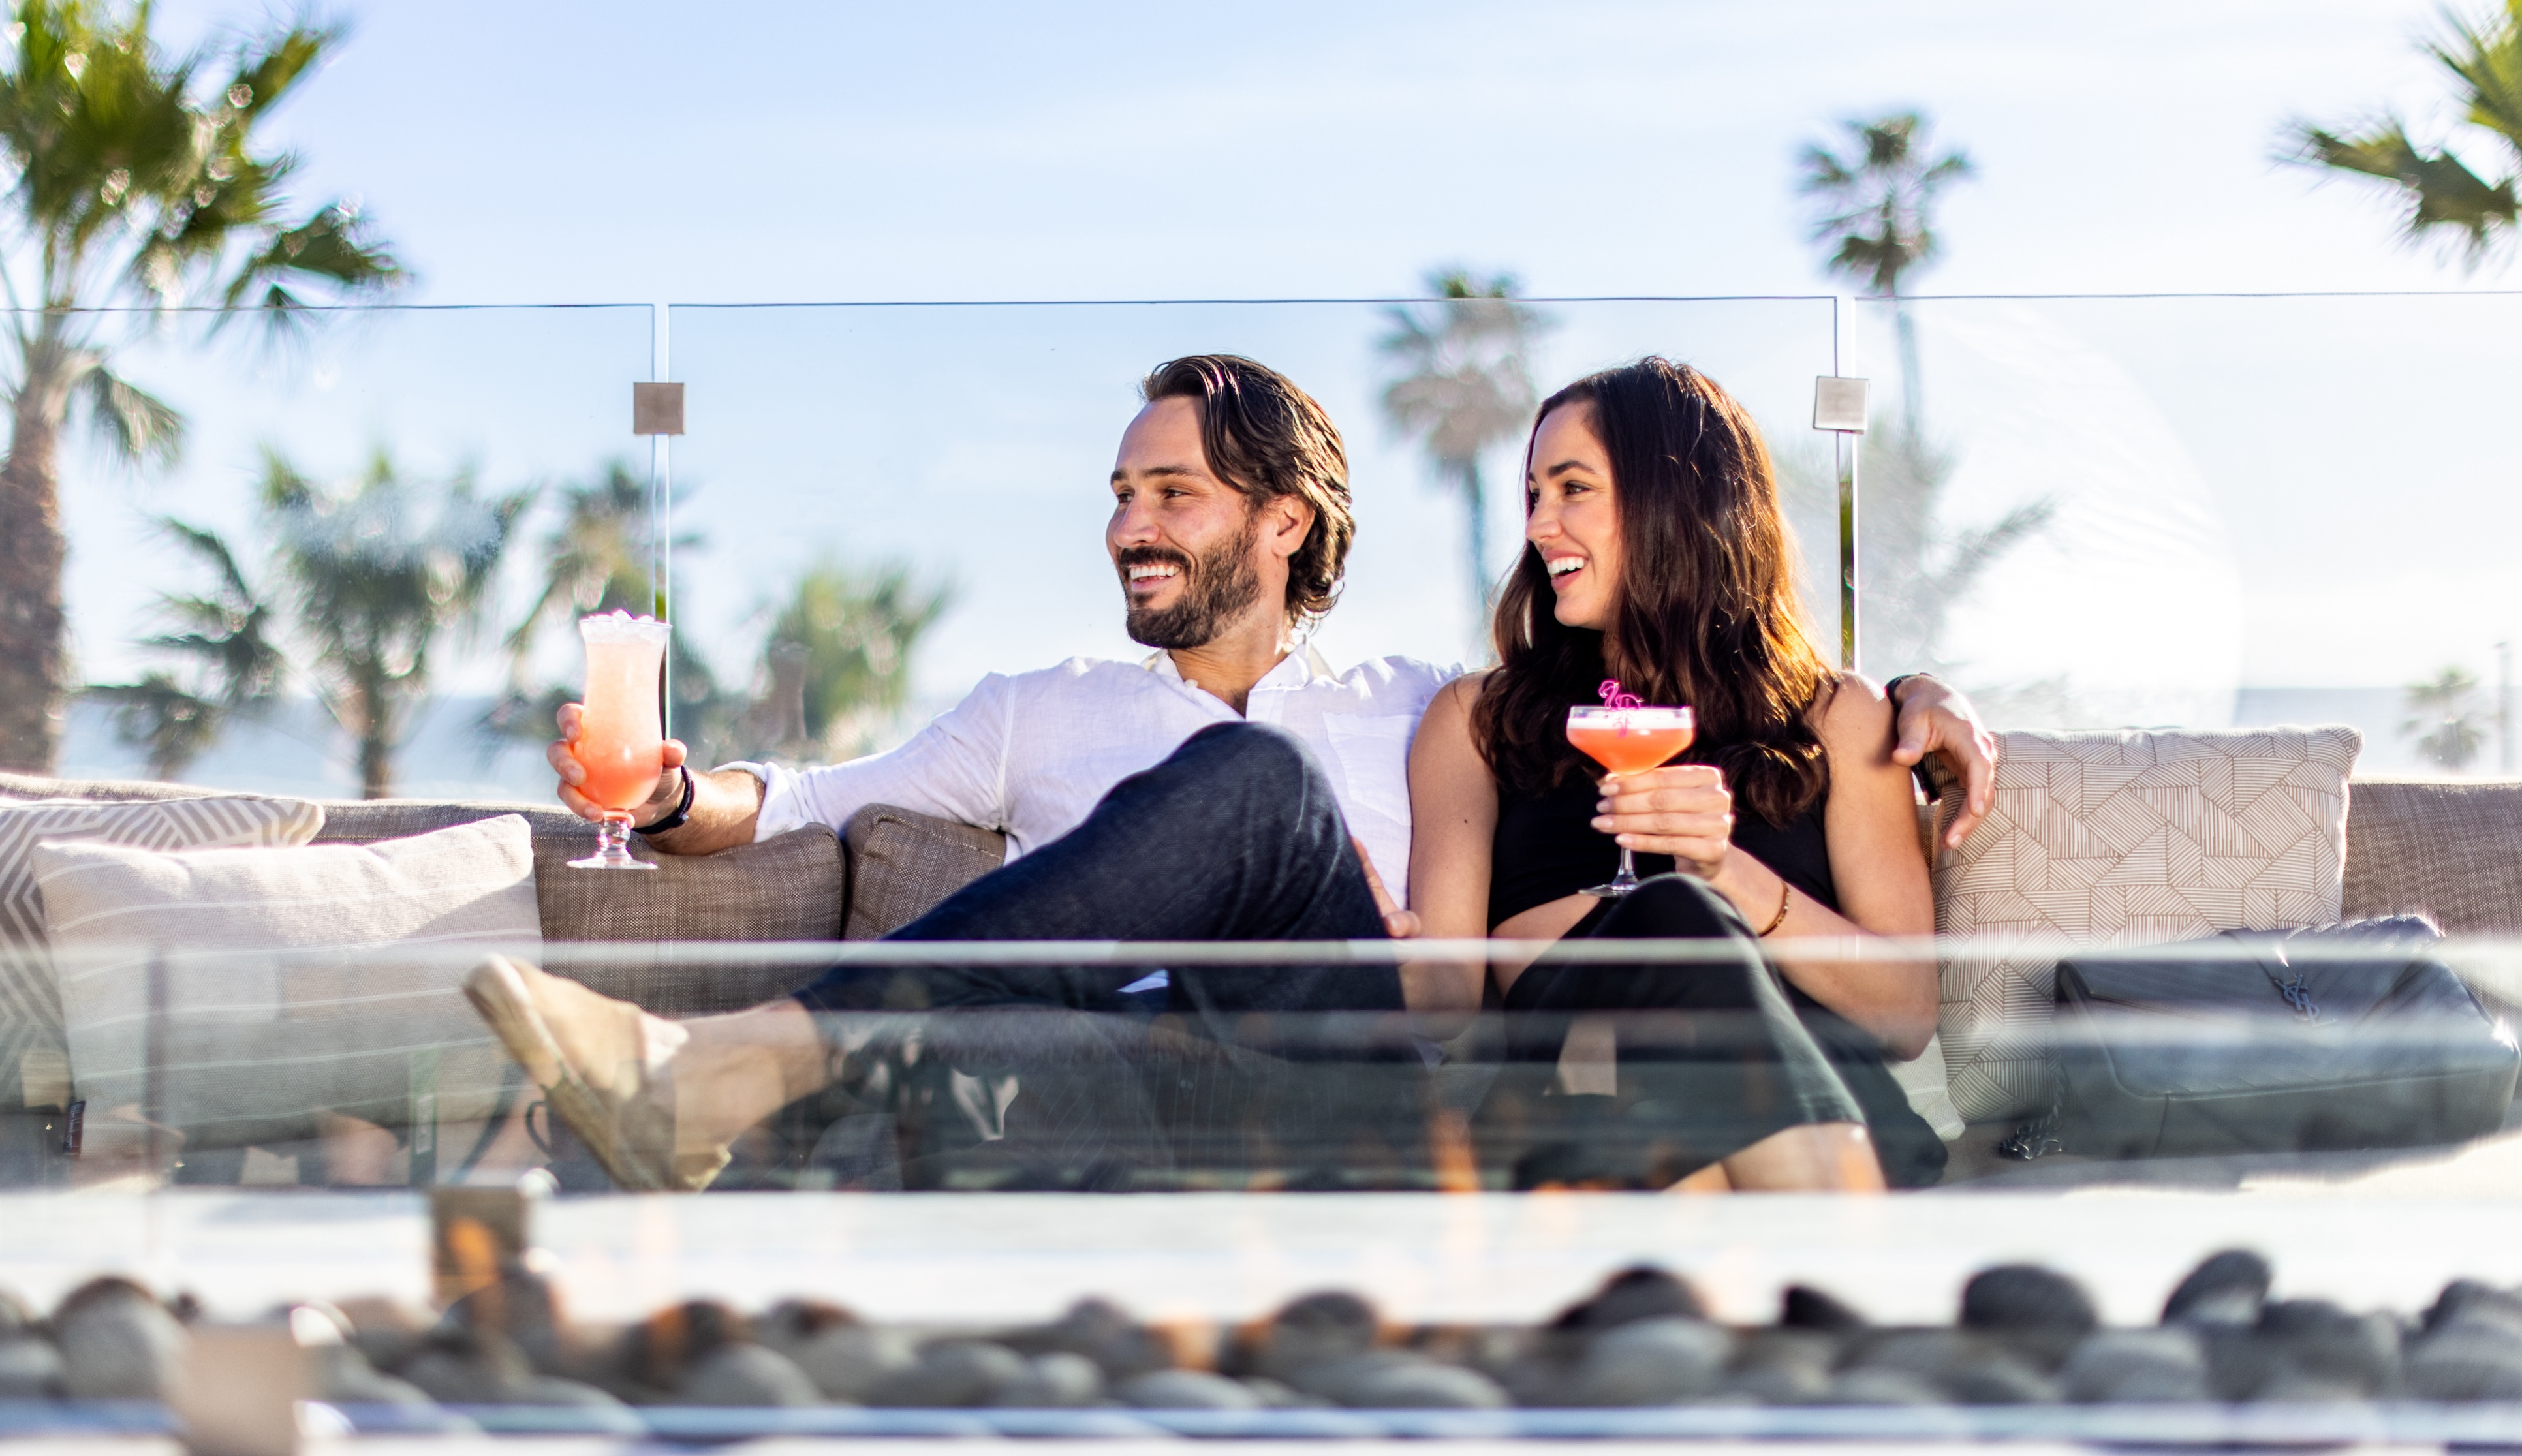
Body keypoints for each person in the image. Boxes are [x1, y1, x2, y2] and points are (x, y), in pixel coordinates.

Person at [473, 352, 1994, 1190]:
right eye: (1532, 491)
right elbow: (805, 797)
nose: (1540, 523)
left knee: (1637, 913)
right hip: (1291, 1068)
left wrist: (1910, 726)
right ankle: (734, 1081)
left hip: (1486, 1096)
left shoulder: (1454, 705)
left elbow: (1893, 991)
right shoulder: (1451, 716)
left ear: (1280, 524)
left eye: (1173, 492)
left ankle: (733, 1076)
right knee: (1250, 783)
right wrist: (673, 799)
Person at [1401, 357, 1946, 1191]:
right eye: (1533, 495)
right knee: (1668, 917)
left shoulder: (1837, 716)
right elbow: (1442, 995)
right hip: (1580, 1091)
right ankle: (1846, 1276)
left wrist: (1728, 873)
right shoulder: (1476, 719)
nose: (1541, 525)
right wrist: (1357, 931)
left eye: (1573, 488)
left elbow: (1905, 1014)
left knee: (1682, 908)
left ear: (1676, 500)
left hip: (1811, 1099)